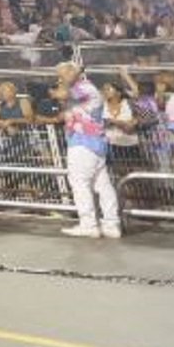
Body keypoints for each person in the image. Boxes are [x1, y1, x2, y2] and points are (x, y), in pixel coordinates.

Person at [54, 62, 121, 239]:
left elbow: (61, 93)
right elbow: (64, 107)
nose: (59, 79)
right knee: (102, 185)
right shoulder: (82, 90)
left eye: (62, 74)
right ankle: (111, 225)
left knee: (80, 183)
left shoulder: (85, 88)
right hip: (94, 144)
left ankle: (89, 224)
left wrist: (69, 77)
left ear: (73, 73)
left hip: (83, 144)